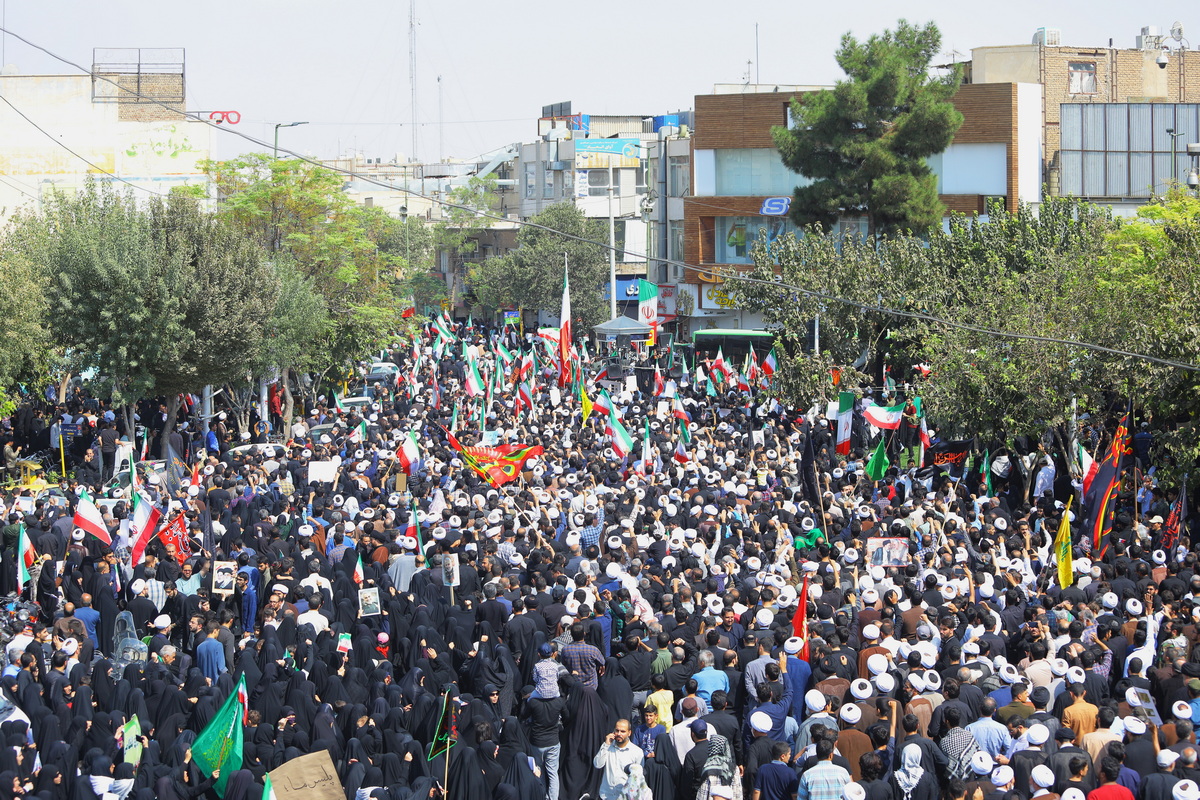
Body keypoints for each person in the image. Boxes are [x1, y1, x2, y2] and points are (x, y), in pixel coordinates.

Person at [593, 718, 641, 800]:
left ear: (629, 733)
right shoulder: (607, 747)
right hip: (606, 796)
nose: (619, 734)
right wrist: (606, 744)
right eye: (617, 730)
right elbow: (597, 764)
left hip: (624, 796)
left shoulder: (637, 752)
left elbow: (638, 778)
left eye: (622, 731)